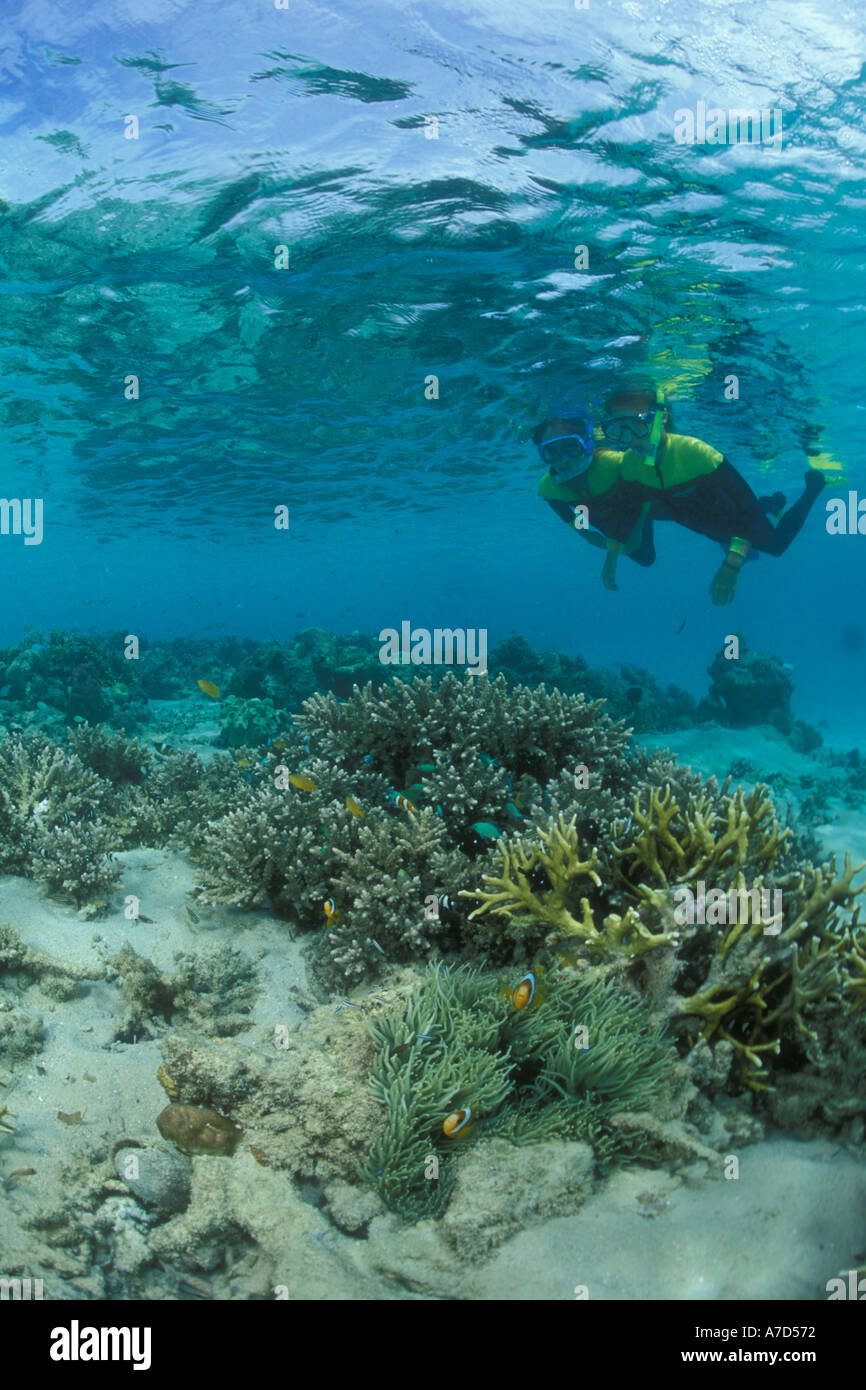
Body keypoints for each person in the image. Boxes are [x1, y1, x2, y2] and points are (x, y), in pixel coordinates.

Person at [597, 387, 828, 604]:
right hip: (702, 521)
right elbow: (631, 514)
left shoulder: (698, 454)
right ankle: (772, 503)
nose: (629, 440)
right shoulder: (629, 464)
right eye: (618, 428)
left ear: (662, 417)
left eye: (637, 425)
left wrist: (732, 565)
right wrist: (613, 553)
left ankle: (813, 487)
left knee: (775, 547)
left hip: (735, 519)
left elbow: (747, 510)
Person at [534, 412, 655, 583]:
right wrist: (613, 548)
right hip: (589, 509)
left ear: (588, 445)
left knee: (643, 554)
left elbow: (646, 495)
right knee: (644, 558)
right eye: (551, 451)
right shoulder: (550, 490)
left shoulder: (614, 464)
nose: (563, 460)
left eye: (571, 447)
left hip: (635, 501)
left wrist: (630, 537)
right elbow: (584, 531)